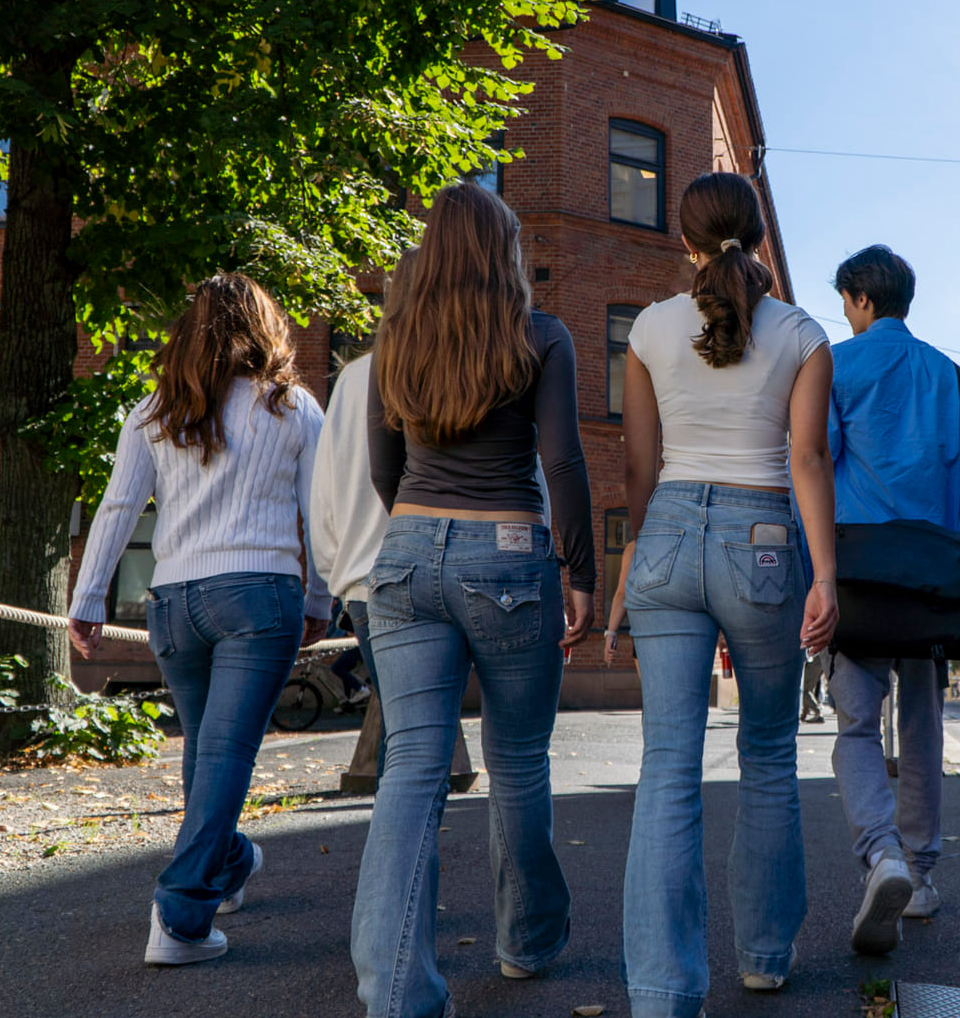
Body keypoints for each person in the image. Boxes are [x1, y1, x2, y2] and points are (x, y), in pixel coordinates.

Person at [351, 183, 596, 1017]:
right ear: (506, 252)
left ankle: (393, 991)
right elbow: (562, 464)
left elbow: (384, 466)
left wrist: (421, 534)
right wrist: (583, 573)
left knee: (411, 769)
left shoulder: (396, 339)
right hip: (510, 556)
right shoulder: (543, 336)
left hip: (407, 552)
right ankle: (525, 944)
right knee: (519, 760)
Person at [617, 171, 838, 1015]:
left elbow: (639, 464)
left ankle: (662, 992)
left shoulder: (648, 328)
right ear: (757, 235)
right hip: (766, 543)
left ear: (684, 240)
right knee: (770, 756)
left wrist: (638, 553)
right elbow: (807, 460)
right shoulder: (804, 333)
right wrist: (825, 576)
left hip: (671, 528)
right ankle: (765, 956)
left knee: (667, 766)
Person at [67, 272, 330, 967]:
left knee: (205, 749)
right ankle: (181, 919)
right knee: (221, 753)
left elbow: (118, 507)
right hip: (258, 596)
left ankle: (230, 864)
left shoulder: (156, 408)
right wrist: (319, 598)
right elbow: (319, 515)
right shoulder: (295, 408)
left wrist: (88, 598)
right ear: (268, 328)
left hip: (174, 602)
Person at [824, 244, 960, 956]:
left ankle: (881, 854)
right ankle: (921, 875)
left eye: (844, 299)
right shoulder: (951, 377)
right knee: (922, 727)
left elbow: (814, 464)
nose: (843, 312)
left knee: (856, 726)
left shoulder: (834, 366)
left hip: (858, 574)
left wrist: (814, 578)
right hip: (932, 578)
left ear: (861, 299)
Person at [310, 253, 477, 796]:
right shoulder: (469, 369)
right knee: (419, 740)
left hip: (365, 581)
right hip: (453, 570)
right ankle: (404, 867)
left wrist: (335, 577)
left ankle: (396, 867)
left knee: (407, 740)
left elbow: (325, 490)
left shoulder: (356, 377)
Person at [801, 647, 830, 723]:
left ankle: (818, 712)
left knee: (805, 690)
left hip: (814, 659)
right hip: (819, 658)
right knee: (808, 688)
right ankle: (805, 712)